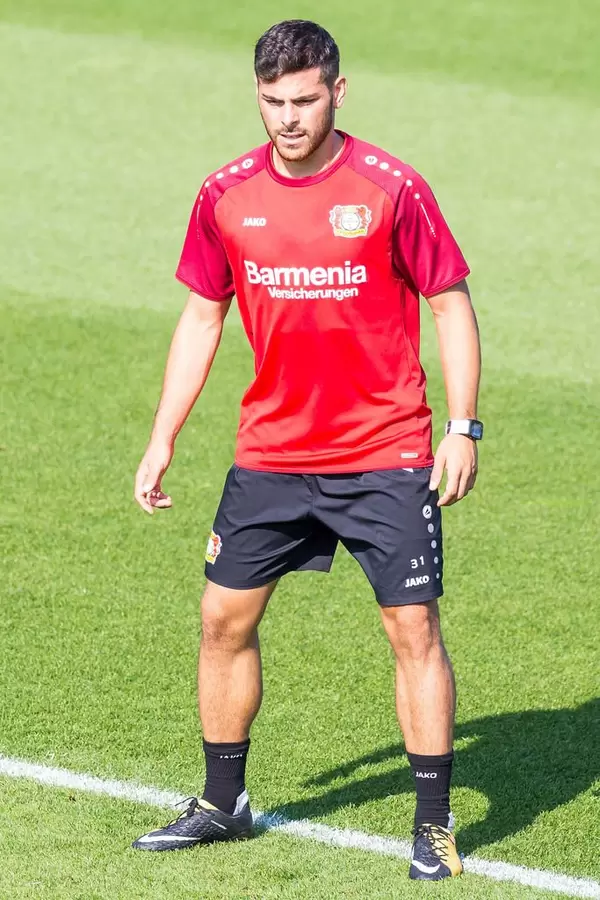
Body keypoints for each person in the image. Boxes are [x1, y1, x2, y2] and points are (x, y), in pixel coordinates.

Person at [131, 19, 482, 881]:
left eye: (304, 99)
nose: (288, 117)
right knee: (223, 619)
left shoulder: (392, 188)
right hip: (272, 453)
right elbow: (203, 316)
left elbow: (449, 303)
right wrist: (162, 436)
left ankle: (432, 824)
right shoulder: (225, 194)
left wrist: (462, 425)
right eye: (273, 100)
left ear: (337, 92)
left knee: (412, 628)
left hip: (384, 451)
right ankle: (223, 803)